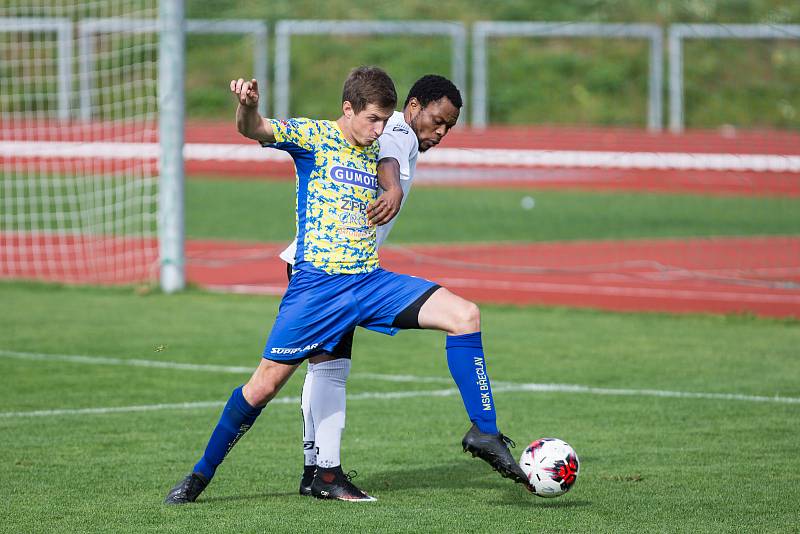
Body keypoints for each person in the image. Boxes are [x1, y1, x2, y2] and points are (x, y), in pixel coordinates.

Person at [164, 66, 528, 505]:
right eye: (438, 121)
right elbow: (256, 129)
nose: (380, 130)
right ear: (350, 110)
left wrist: (390, 185)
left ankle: (483, 433)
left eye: (449, 126)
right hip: (317, 285)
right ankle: (202, 476)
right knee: (265, 386)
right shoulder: (323, 136)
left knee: (464, 315)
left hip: (369, 281)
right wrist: (248, 107)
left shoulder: (376, 142)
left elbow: (388, 159)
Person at [291, 75, 472, 498]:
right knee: (330, 370)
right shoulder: (398, 131)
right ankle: (327, 476)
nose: (441, 132)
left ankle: (314, 470)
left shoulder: (396, 129)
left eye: (449, 126)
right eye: (437, 120)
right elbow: (387, 157)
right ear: (413, 106)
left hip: (320, 263)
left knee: (324, 368)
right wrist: (391, 187)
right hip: (327, 268)